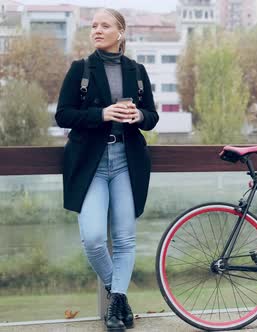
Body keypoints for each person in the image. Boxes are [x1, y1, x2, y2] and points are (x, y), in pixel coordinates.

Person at [55, 8, 158, 332]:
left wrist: (139, 117)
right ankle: (120, 296)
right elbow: (63, 115)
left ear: (120, 32)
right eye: (94, 25)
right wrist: (101, 114)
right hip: (91, 164)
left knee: (126, 239)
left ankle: (115, 308)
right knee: (95, 238)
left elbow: (152, 115)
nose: (97, 30)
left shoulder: (137, 71)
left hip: (127, 161)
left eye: (105, 25)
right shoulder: (80, 70)